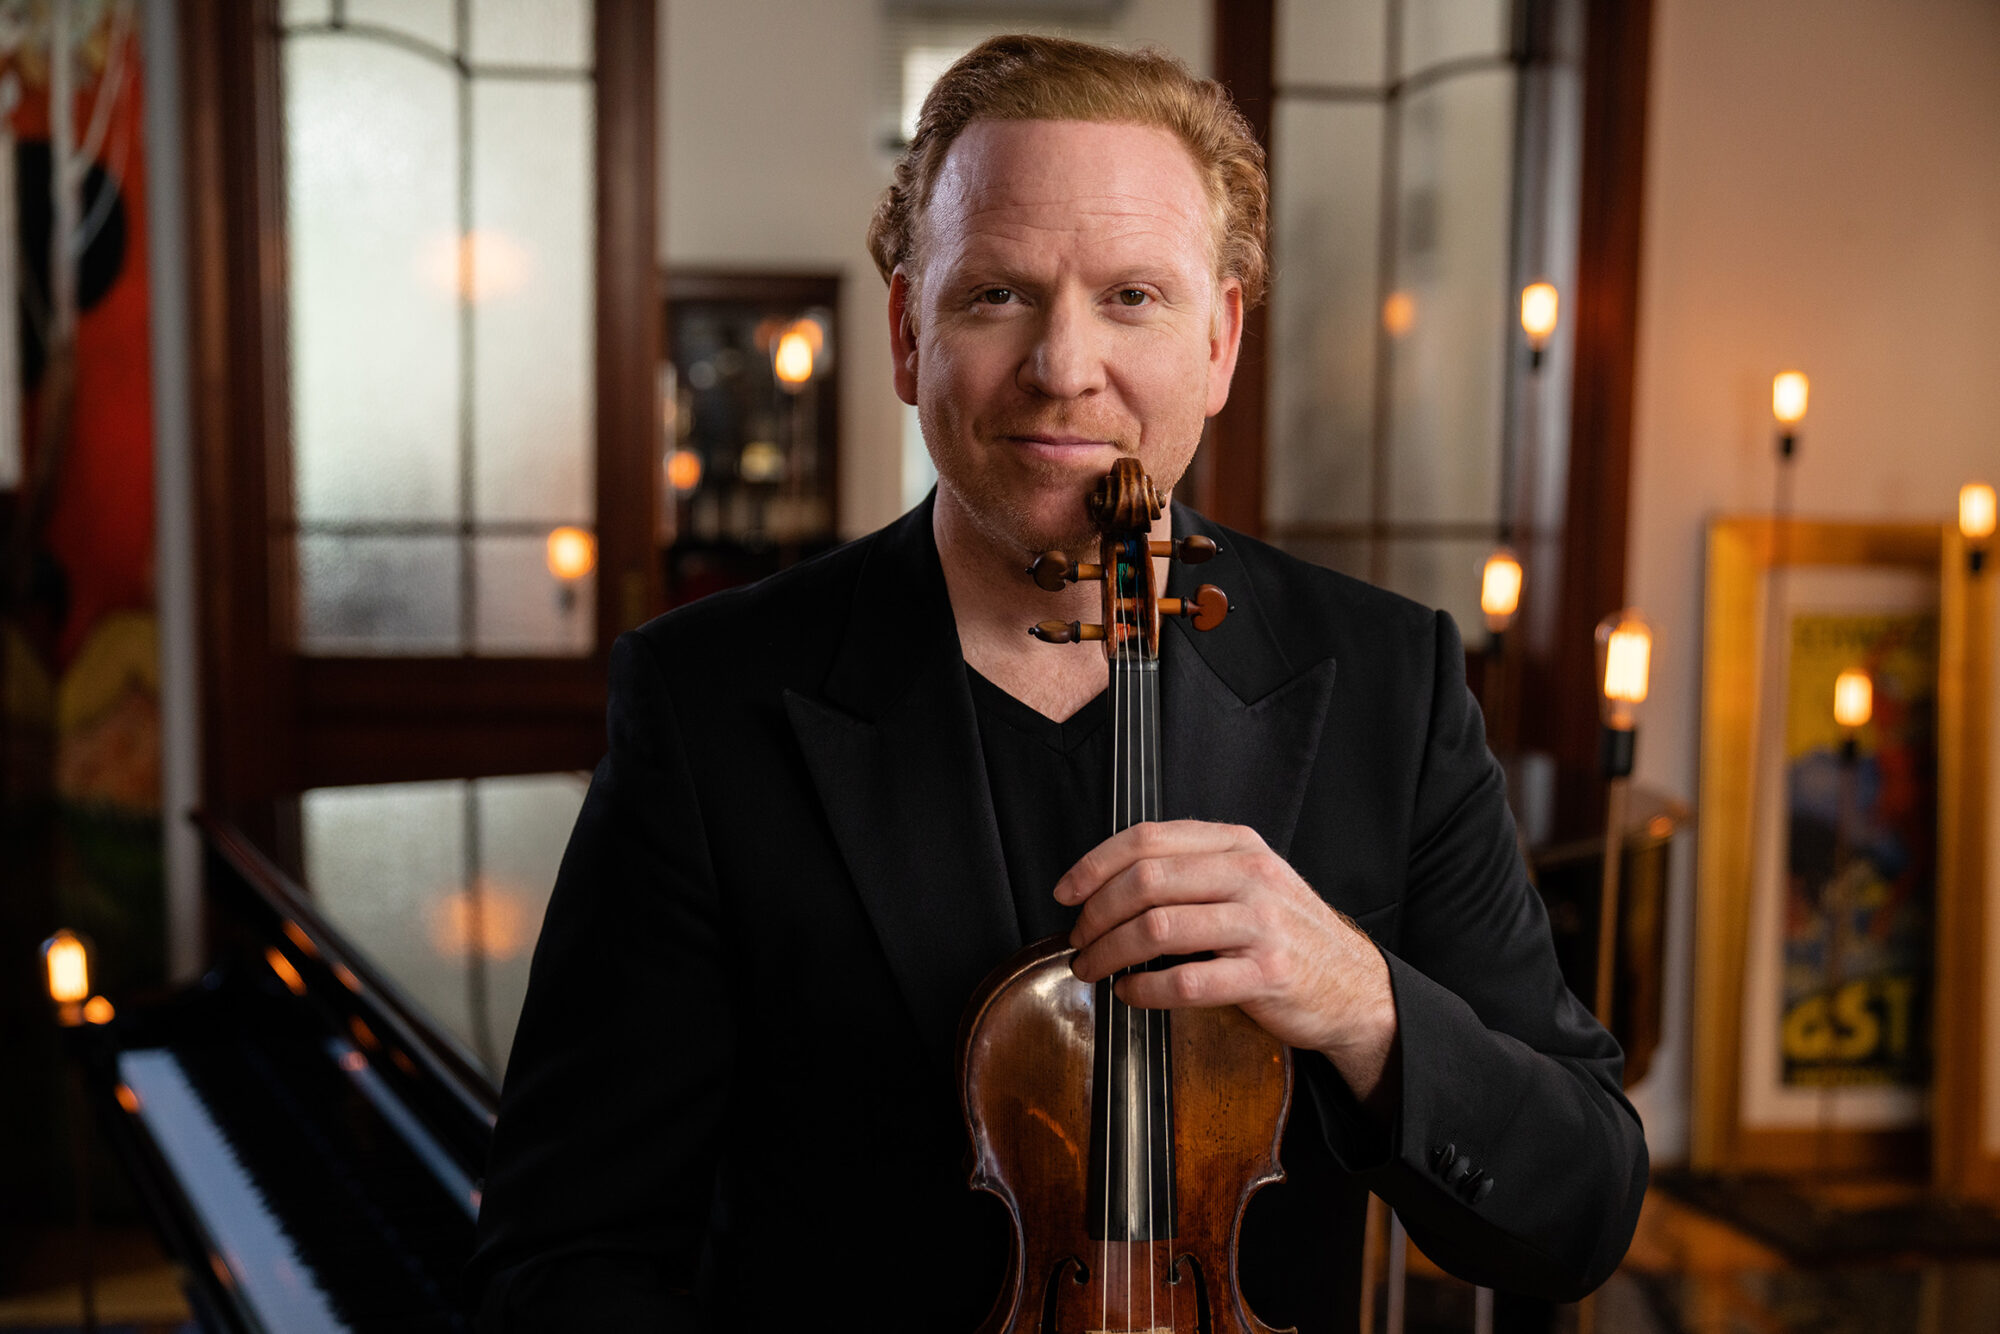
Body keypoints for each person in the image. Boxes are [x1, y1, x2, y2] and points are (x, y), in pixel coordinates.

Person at [466, 34, 1647, 1332]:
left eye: (1133, 296)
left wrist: (1363, 1002)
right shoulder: (708, 703)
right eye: (997, 295)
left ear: (1221, 340)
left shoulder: (1388, 684)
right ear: (908, 334)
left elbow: (1580, 1207)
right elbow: (563, 1258)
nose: (1064, 366)